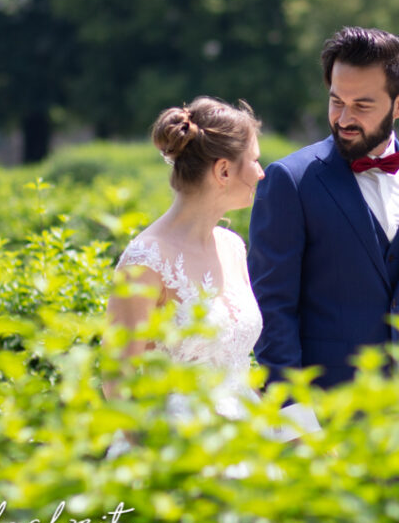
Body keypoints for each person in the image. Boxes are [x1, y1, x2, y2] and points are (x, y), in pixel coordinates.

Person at [248, 26, 399, 390]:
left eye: (361, 105)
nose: (344, 119)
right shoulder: (290, 180)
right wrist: (293, 416)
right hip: (325, 412)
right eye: (336, 101)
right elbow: (272, 309)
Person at [103, 97, 282, 456]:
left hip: (244, 447)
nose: (262, 172)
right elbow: (116, 382)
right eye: (254, 159)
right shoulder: (145, 260)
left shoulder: (232, 247)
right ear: (223, 171)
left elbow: (237, 367)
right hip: (174, 454)